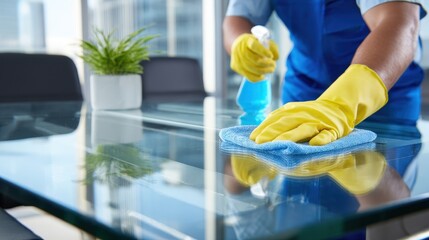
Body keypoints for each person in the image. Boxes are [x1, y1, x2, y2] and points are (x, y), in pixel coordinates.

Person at [223, 1, 427, 146]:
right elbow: (239, 16)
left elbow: (399, 23)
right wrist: (240, 43)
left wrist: (341, 103)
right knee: (297, 192)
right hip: (302, 94)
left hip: (381, 103)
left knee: (377, 190)